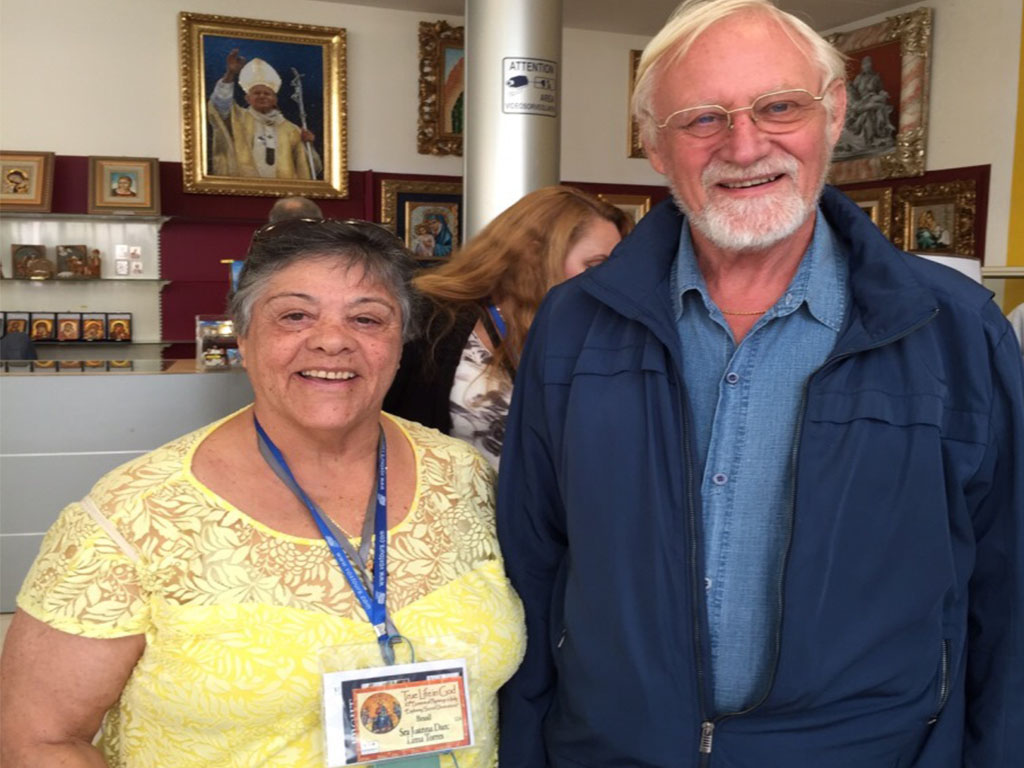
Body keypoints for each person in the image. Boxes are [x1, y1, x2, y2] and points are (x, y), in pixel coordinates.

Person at [496, 1, 1024, 767]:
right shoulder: (576, 324)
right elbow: (531, 565)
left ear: (833, 114)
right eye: (702, 119)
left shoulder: (955, 329)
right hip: (611, 751)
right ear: (654, 144)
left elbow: (1008, 594)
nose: (745, 146)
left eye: (779, 107)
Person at [0, 219, 525, 768]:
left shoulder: (464, 476)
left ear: (399, 345)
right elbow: (38, 740)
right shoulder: (134, 514)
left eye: (367, 318)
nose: (332, 340)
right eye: (295, 315)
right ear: (244, 339)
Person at [384, 185, 631, 469]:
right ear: (534, 254)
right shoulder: (431, 320)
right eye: (595, 265)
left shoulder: (602, 331)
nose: (608, 280)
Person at [208, 50, 321, 180]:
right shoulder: (238, 118)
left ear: (275, 100)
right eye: (256, 93)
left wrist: (308, 144)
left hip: (283, 189)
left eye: (267, 93)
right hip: (244, 187)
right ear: (247, 98)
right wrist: (230, 74)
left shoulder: (291, 129)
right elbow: (219, 105)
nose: (262, 96)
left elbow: (308, 168)